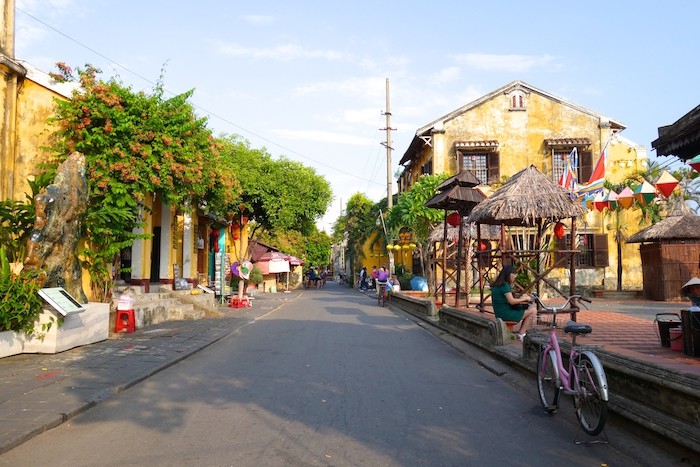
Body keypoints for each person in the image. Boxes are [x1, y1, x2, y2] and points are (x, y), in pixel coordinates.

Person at [491, 264, 536, 341]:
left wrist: (522, 299)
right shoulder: (504, 285)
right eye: (514, 274)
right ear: (508, 274)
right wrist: (525, 298)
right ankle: (521, 334)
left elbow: (508, 300)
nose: (515, 276)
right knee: (533, 310)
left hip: (499, 313)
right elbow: (512, 301)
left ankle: (521, 333)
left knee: (528, 308)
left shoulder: (498, 284)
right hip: (505, 314)